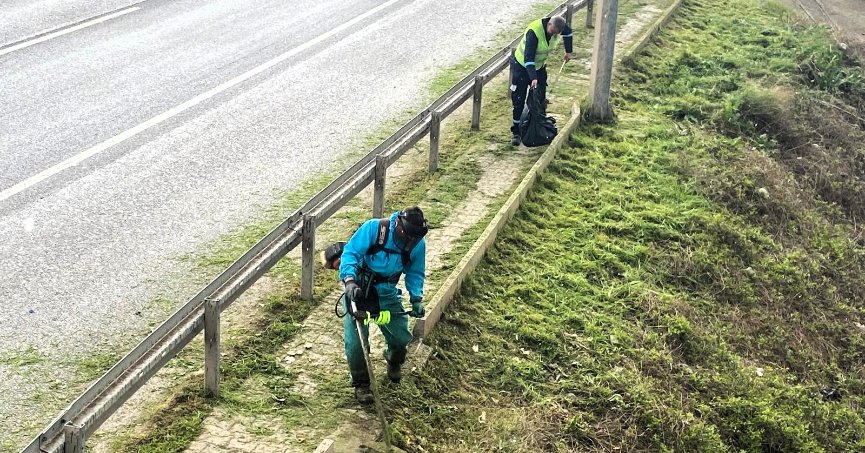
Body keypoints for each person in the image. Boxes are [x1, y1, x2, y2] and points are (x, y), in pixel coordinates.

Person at [339, 206, 428, 404]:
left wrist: (416, 298)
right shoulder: (374, 229)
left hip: (387, 291)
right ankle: (361, 383)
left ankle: (394, 359)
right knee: (356, 343)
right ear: (398, 225)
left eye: (414, 239)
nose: (410, 242)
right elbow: (350, 253)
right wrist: (349, 280)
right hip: (360, 287)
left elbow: (415, 272)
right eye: (408, 237)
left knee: (400, 336)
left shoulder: (417, 244)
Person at [510, 15, 574, 146]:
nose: (553, 35)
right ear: (549, 24)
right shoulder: (534, 32)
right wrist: (533, 78)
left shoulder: (559, 24)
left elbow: (568, 33)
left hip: (539, 66)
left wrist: (569, 51)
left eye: (556, 34)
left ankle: (539, 124)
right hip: (522, 66)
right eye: (552, 32)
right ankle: (516, 132)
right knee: (518, 99)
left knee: (540, 98)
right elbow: (528, 58)